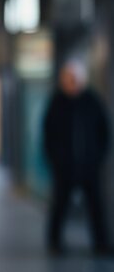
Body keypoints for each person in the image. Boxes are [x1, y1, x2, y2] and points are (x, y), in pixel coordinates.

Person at [43, 60, 110, 255]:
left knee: (96, 206)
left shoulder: (92, 101)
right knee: (59, 205)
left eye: (74, 79)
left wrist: (97, 158)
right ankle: (54, 243)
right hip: (64, 167)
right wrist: (55, 160)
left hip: (89, 166)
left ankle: (101, 243)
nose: (71, 82)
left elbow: (104, 132)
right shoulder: (57, 102)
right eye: (68, 78)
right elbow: (48, 135)